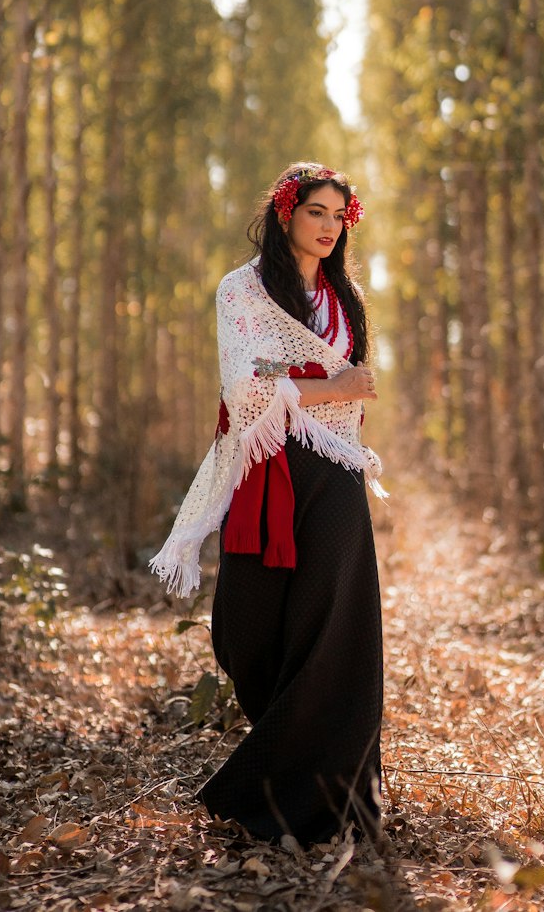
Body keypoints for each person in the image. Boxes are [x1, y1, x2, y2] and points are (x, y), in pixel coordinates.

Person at [150, 162, 385, 845]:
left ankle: (330, 796)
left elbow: (339, 386)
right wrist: (328, 384)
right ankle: (283, 759)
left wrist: (311, 385)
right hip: (266, 467)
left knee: (335, 628)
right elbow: (245, 390)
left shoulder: (345, 301)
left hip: (333, 474)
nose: (328, 228)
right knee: (245, 629)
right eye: (316, 212)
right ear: (287, 213)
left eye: (339, 217)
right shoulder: (241, 292)